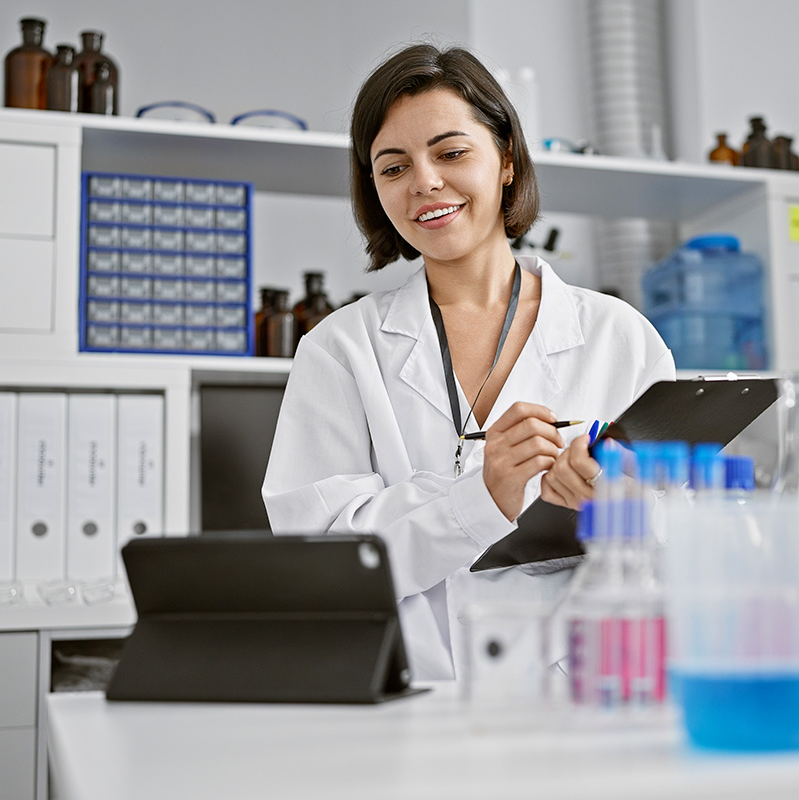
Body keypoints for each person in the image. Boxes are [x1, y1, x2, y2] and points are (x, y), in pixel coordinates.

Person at [262, 43, 676, 681]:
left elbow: (687, 538)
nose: (425, 182)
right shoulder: (340, 350)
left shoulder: (617, 336)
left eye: (451, 153)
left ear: (506, 160)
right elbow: (320, 572)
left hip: (588, 699)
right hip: (406, 705)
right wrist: (479, 499)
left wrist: (615, 507)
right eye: (393, 167)